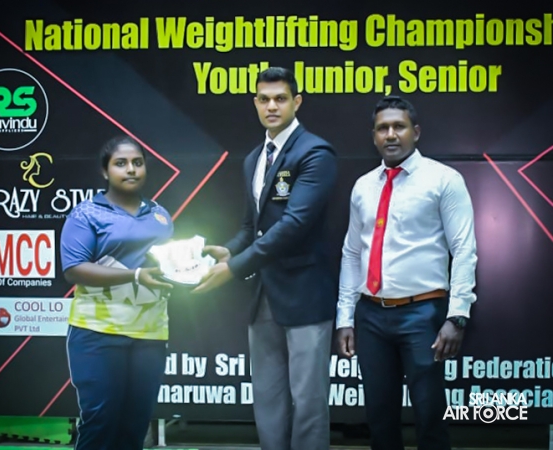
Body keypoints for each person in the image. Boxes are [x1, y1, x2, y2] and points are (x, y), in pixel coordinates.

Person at [192, 67, 337, 450]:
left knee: (308, 403)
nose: (272, 106)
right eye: (264, 99)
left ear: (296, 102)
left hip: (305, 296)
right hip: (263, 296)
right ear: (255, 103)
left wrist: (235, 267)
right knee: (268, 401)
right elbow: (250, 226)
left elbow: (294, 225)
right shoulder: (254, 158)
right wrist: (230, 251)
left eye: (280, 99)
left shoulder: (315, 152)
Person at [336, 95, 478, 450]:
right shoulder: (363, 186)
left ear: (416, 132)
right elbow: (352, 253)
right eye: (382, 128)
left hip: (423, 314)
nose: (390, 135)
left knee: (430, 416)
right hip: (370, 316)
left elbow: (464, 250)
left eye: (398, 126)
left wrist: (457, 316)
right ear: (374, 136)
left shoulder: (443, 180)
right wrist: (345, 318)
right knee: (379, 417)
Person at [60, 135, 175, 450]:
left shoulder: (160, 215)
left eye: (137, 163)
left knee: (135, 426)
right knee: (101, 423)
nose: (131, 169)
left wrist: (193, 265)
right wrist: (135, 276)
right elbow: (74, 268)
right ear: (105, 171)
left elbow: (167, 266)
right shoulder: (85, 214)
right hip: (97, 333)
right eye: (121, 163)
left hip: (149, 334)